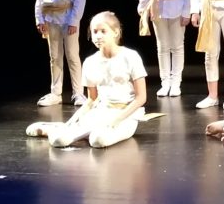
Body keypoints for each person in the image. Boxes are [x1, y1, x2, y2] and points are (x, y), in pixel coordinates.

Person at [26, 11, 148, 148]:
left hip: (126, 115)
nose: (98, 36)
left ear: (115, 32)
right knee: (58, 141)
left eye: (103, 31)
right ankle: (56, 128)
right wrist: (71, 121)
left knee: (98, 140)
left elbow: (141, 98)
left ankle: (77, 131)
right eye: (95, 32)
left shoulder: (130, 56)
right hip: (101, 111)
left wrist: (116, 120)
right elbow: (92, 99)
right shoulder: (90, 62)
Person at [34, 0, 88, 106]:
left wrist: (74, 21)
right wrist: (39, 18)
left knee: (72, 55)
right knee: (54, 57)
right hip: (51, 18)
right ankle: (56, 93)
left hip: (68, 17)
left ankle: (78, 93)